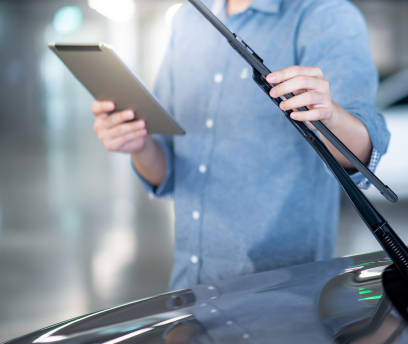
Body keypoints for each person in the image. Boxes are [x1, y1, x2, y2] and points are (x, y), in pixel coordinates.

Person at [90, 0, 390, 290]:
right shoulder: (188, 18)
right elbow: (167, 173)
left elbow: (362, 154)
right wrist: (138, 145)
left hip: (286, 302)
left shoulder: (325, 14)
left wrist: (331, 115)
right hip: (189, 291)